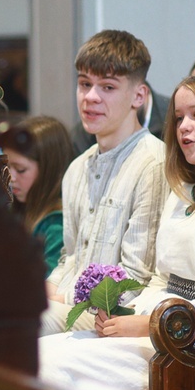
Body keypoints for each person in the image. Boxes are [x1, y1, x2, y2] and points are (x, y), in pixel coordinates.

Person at [39, 72, 195, 390]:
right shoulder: (183, 191)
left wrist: (151, 323)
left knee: (48, 368)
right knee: (34, 353)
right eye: (178, 117)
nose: (184, 126)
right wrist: (124, 315)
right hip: (159, 328)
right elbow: (161, 279)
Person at [41, 30, 169, 336]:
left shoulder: (153, 162)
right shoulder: (77, 168)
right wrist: (43, 290)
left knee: (21, 323)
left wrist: (59, 298)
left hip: (113, 316)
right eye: (85, 84)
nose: (91, 97)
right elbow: (69, 259)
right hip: (71, 305)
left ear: (139, 96)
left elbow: (135, 277)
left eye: (108, 87)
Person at [1, 116, 73, 277]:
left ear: (49, 170)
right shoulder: (15, 210)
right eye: (7, 167)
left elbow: (41, 283)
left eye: (20, 170)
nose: (11, 177)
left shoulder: (56, 225)